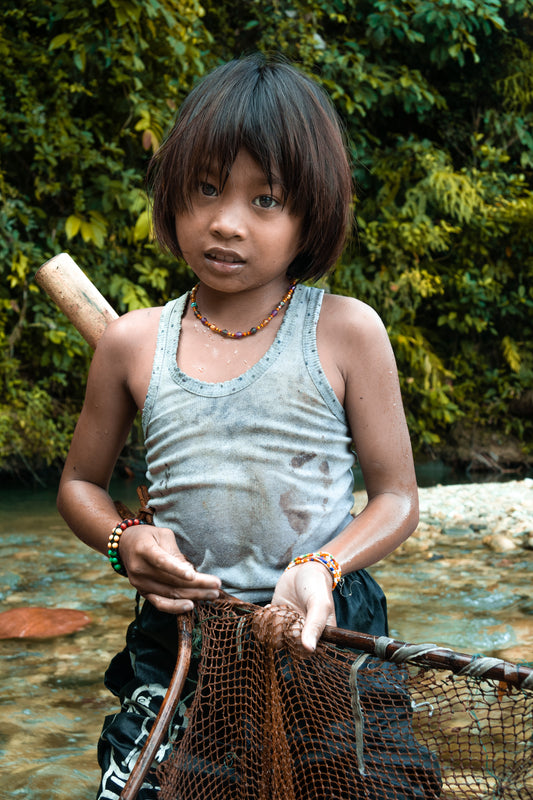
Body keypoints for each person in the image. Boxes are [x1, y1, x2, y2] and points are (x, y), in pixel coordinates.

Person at [57, 53, 419, 799]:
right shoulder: (133, 342)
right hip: (184, 629)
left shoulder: (346, 332)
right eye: (206, 187)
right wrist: (126, 540)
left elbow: (396, 499)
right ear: (173, 191)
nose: (224, 221)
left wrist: (320, 567)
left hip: (326, 623)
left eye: (266, 200)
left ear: (311, 212)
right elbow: (80, 484)